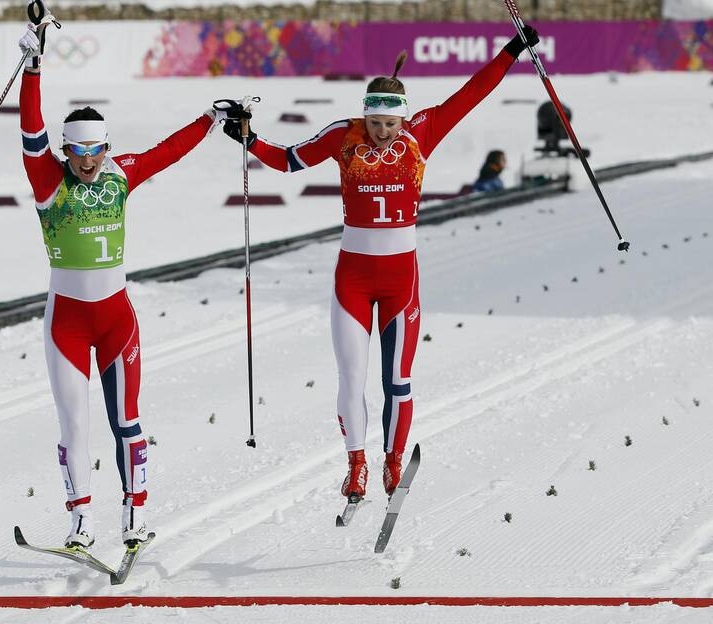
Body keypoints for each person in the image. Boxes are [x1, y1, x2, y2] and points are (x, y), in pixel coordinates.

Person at [222, 27, 539, 503]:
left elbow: (471, 93)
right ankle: (356, 467)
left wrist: (512, 51)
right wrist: (247, 138)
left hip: (399, 282)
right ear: (365, 116)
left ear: (402, 120)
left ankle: (393, 462)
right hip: (352, 279)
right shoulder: (343, 135)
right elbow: (289, 161)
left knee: (398, 380)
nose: (382, 132)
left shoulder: (421, 134)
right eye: (375, 123)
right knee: (351, 377)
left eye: (390, 125)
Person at [17, 9, 219, 550]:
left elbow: (166, 153)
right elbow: (31, 130)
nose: (87, 162)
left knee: (126, 421)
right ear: (67, 151)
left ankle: (133, 517)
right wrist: (33, 66)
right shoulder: (46, 180)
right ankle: (79, 521)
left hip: (115, 320)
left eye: (95, 150)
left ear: (107, 147)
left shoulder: (121, 173)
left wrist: (209, 120)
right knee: (74, 426)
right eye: (78, 152)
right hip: (66, 322)